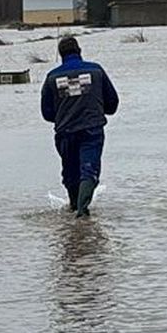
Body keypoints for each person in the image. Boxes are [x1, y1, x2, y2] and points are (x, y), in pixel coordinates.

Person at [40, 35, 119, 217]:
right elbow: (112, 103)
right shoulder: (96, 71)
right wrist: (97, 110)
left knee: (70, 173)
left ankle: (74, 208)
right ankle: (82, 212)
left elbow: (46, 112)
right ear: (79, 51)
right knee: (89, 170)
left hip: (65, 132)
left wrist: (64, 116)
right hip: (92, 129)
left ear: (61, 55)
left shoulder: (52, 77)